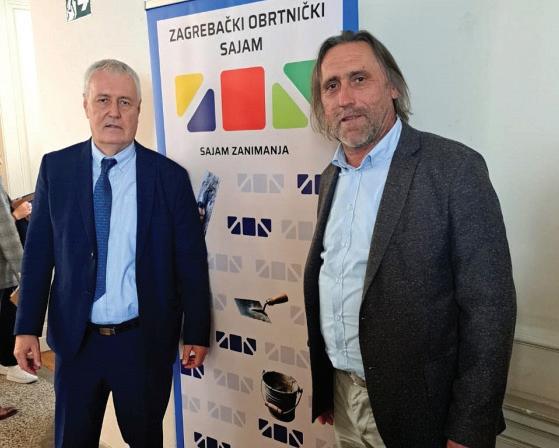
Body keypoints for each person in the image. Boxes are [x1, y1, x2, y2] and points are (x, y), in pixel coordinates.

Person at [303, 30, 516, 448]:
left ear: (393, 87)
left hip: (426, 415)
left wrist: (469, 428)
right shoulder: (331, 178)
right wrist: (330, 388)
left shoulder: (454, 169)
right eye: (331, 86)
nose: (345, 98)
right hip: (345, 399)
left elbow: (490, 309)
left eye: (359, 79)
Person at [14, 59, 211, 448]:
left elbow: (190, 262)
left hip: (142, 342)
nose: (114, 112)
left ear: (138, 110)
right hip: (76, 342)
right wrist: (26, 327)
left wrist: (196, 330)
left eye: (125, 102)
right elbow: (37, 255)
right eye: (103, 100)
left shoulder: (169, 178)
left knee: (145, 439)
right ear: (85, 105)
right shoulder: (57, 169)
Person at [0, 173, 36, 384]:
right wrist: (16, 215)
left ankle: (4, 361)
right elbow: (5, 230)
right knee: (8, 315)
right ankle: (11, 364)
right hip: (4, 267)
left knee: (5, 314)